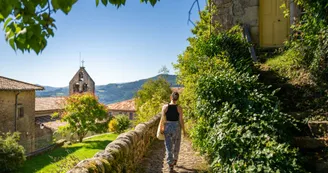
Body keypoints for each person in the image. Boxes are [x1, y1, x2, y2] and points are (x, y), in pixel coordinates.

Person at [160, 91, 187, 171]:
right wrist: (184, 130)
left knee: (168, 145)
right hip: (176, 127)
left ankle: (170, 163)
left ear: (170, 97)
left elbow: (162, 119)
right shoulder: (179, 108)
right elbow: (181, 120)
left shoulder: (165, 107)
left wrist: (162, 128)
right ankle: (175, 159)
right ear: (177, 99)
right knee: (176, 144)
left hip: (167, 127)